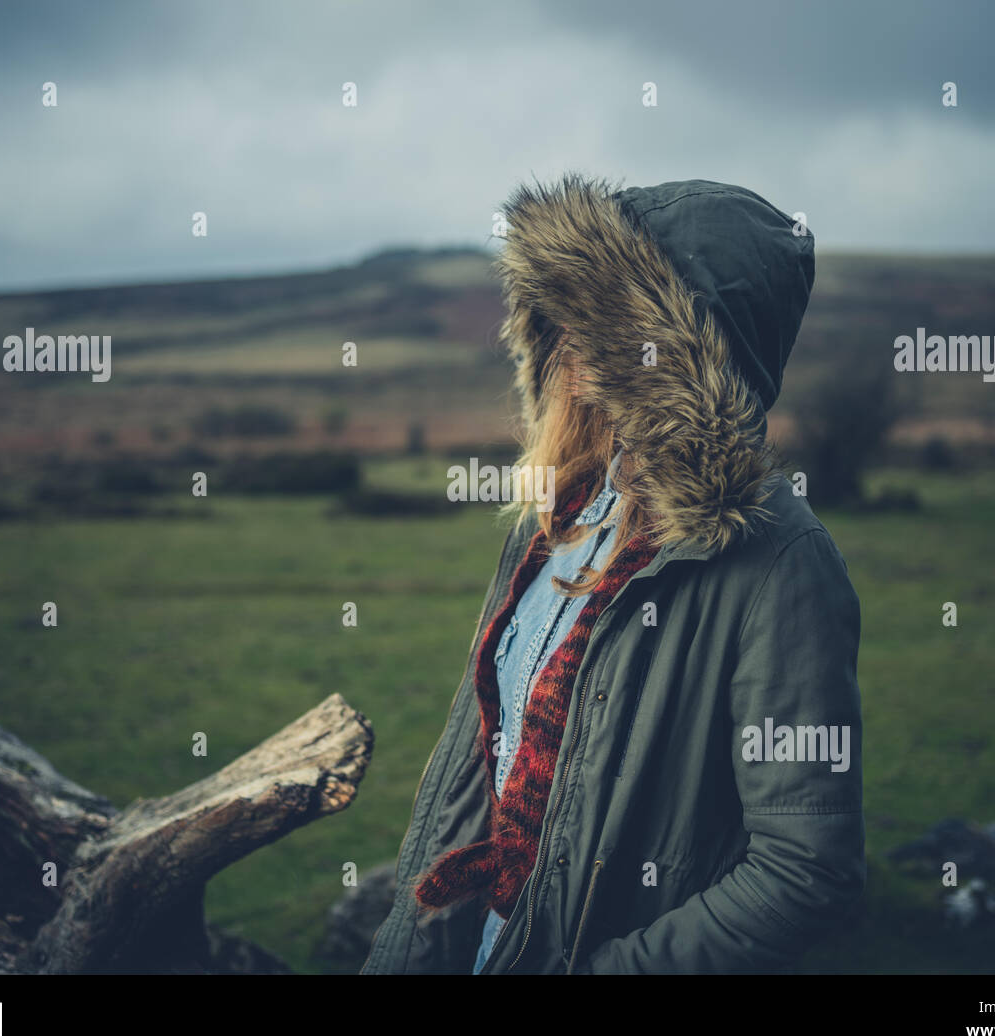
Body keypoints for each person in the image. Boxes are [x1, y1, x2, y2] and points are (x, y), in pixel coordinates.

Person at [361, 174, 864, 975]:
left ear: (695, 353)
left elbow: (806, 869)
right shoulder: (557, 515)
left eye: (609, 315)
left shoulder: (781, 564)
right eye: (569, 309)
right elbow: (477, 773)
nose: (572, 339)